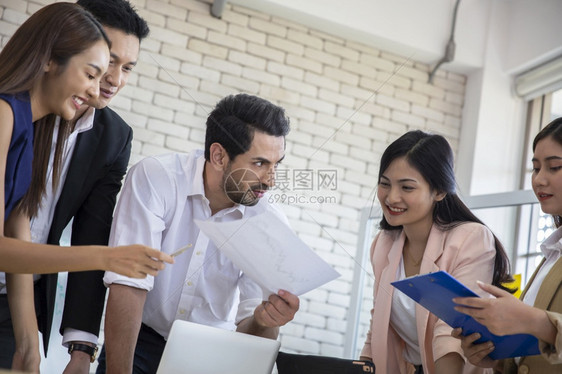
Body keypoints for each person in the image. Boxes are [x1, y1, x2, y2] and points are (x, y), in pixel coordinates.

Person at [0, 3, 172, 372]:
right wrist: (107, 257)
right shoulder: (13, 114)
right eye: (105, 63)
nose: (111, 80)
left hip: (20, 298)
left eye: (127, 68)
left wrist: (71, 347)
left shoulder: (111, 137)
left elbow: (29, 224)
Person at [96, 93, 300, 374]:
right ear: (218, 156)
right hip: (138, 339)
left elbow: (250, 334)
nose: (270, 180)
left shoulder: (268, 221)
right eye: (259, 164)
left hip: (211, 355)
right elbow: (128, 285)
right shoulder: (156, 178)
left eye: (277, 164)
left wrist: (266, 320)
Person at [359, 130, 513, 374]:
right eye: (385, 183)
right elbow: (378, 328)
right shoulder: (384, 243)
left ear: (440, 191)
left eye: (407, 187)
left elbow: (450, 330)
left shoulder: (470, 238)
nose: (391, 197)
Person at [453, 117, 562, 373]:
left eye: (554, 167)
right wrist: (495, 356)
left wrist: (535, 321)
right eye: (536, 168)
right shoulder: (552, 252)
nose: (539, 180)